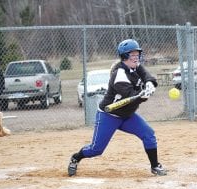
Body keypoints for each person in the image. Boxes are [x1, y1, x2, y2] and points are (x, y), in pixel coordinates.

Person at [68, 39, 167, 177]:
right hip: (109, 116)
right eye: (132, 55)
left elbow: (146, 75)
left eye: (137, 54)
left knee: (149, 135)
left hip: (127, 115)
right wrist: (143, 95)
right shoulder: (119, 76)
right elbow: (131, 98)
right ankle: (75, 158)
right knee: (96, 150)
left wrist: (150, 83)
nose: (136, 57)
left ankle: (155, 166)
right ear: (124, 56)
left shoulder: (135, 66)